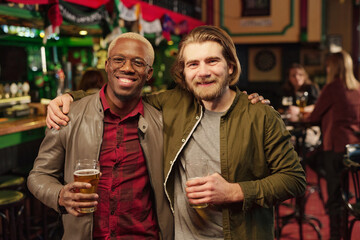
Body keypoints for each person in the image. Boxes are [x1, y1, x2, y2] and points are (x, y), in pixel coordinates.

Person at [45, 26, 306, 239]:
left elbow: (294, 179)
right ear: (184, 72)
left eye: (212, 61)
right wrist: (70, 97)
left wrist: (234, 192)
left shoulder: (260, 115)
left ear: (230, 66)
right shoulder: (173, 103)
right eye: (193, 64)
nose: (202, 72)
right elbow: (121, 91)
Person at [28, 33, 174, 239]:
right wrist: (59, 195)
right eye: (119, 60)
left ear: (149, 73)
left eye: (138, 62)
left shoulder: (163, 122)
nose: (127, 68)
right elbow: (39, 176)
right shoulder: (67, 116)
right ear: (106, 65)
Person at [306, 50, 360, 240]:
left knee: (335, 198)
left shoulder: (332, 87)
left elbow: (314, 117)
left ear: (333, 67)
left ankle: (337, 236)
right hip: (355, 150)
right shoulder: (357, 88)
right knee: (342, 193)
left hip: (336, 148)